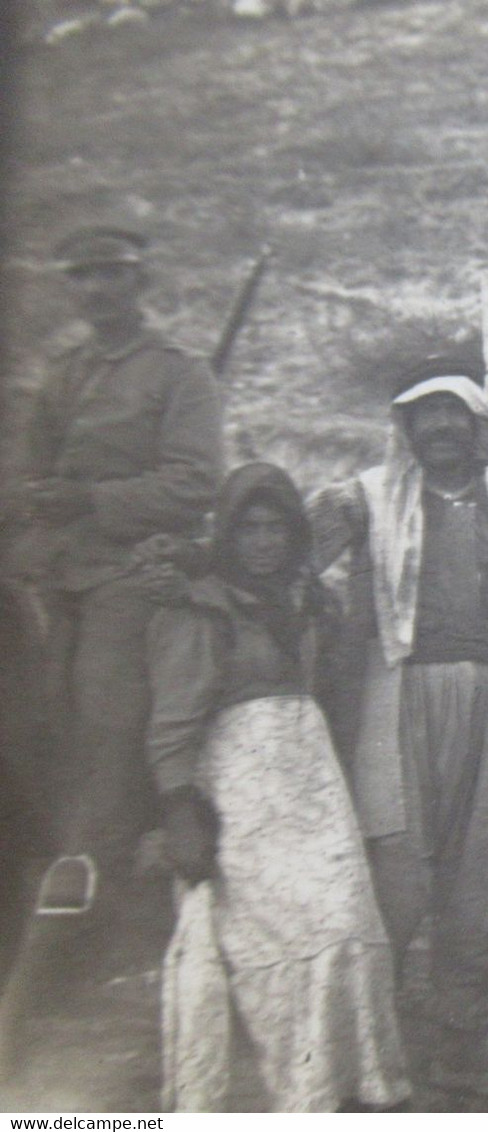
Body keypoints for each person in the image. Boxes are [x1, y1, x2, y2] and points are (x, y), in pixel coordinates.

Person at [146, 463, 409, 1112]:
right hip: (241, 791)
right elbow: (173, 722)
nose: (263, 543)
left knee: (347, 917)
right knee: (272, 940)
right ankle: (292, 1091)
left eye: (276, 529)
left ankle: (344, 1083)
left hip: (312, 786)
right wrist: (180, 808)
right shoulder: (199, 607)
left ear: (296, 535)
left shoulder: (310, 602)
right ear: (228, 538)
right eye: (249, 529)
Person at [307, 357, 488, 1045]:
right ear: (406, 428)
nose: (439, 427)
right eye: (424, 415)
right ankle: (378, 1017)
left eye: (452, 414)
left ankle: (461, 1008)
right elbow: (288, 555)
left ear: (476, 425)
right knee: (397, 845)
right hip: (397, 691)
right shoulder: (365, 498)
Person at [9, 224, 223, 912]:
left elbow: (194, 485)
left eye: (111, 274)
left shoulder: (178, 372)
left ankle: (92, 879)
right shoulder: (63, 373)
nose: (96, 289)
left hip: (129, 570)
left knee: (107, 719)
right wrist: (35, 504)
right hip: (49, 572)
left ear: (139, 283)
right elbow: (29, 474)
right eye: (82, 275)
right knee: (33, 715)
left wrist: (90, 501)